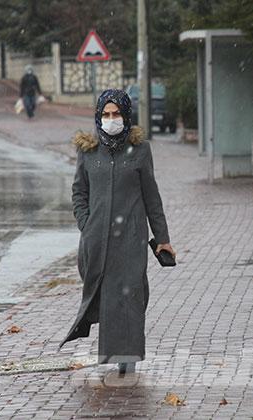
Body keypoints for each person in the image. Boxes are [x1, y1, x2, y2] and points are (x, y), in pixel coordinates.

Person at [59, 88, 175, 376]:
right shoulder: (88, 151)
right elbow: (79, 192)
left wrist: (162, 239)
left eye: (117, 114)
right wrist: (86, 223)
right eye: (106, 114)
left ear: (126, 116)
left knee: (132, 294)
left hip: (131, 239)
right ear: (99, 117)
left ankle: (127, 357)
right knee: (107, 295)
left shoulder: (140, 150)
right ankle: (115, 348)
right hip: (97, 239)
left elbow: (152, 197)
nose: (112, 120)